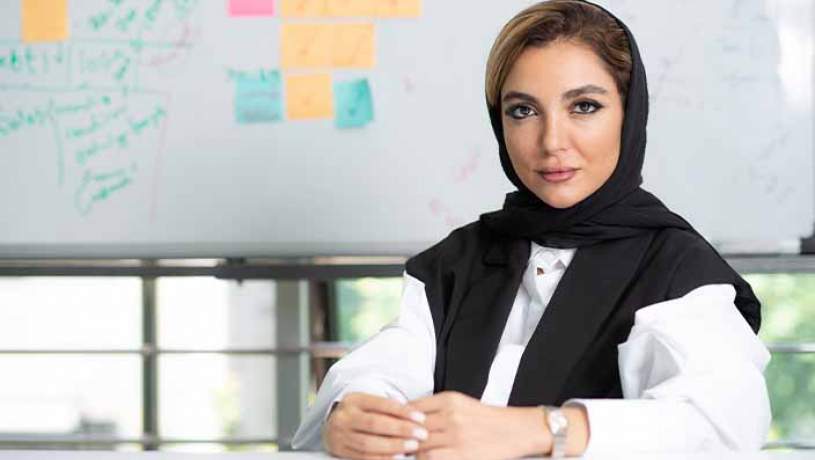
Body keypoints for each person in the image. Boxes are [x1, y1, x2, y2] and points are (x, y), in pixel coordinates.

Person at [291, 1, 771, 458]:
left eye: (584, 106)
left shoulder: (678, 269)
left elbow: (720, 421)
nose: (551, 141)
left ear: (629, 114)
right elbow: (387, 366)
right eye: (523, 111)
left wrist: (542, 429)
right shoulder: (459, 259)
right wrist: (353, 414)